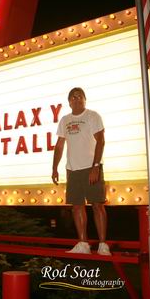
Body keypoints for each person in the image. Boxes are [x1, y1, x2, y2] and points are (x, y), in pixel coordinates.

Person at [52, 87, 110, 256]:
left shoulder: (93, 116)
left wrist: (96, 166)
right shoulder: (65, 120)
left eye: (79, 97)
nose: (76, 99)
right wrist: (54, 167)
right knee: (77, 207)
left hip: (91, 167)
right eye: (73, 97)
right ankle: (83, 243)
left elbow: (101, 141)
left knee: (97, 205)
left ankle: (102, 245)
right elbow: (60, 145)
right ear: (69, 102)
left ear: (85, 100)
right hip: (73, 170)